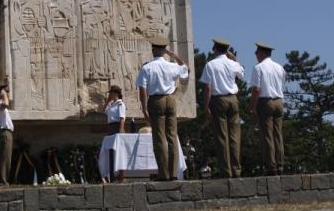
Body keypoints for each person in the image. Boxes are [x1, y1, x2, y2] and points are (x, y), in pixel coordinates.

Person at [136, 36, 189, 180]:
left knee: (159, 137)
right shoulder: (172, 66)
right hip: (171, 100)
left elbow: (142, 88)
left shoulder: (147, 67)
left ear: (153, 49)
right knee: (171, 136)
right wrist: (173, 55)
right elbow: (185, 69)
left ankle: (164, 173)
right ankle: (173, 173)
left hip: (156, 100)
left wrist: (144, 107)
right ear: (164, 50)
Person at [199, 38, 245, 178]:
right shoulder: (232, 63)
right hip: (233, 99)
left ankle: (226, 171)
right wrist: (233, 57)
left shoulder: (210, 65)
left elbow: (208, 87)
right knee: (234, 136)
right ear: (227, 51)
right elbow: (241, 75)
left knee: (221, 137)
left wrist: (206, 105)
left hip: (218, 100)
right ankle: (236, 169)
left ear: (214, 50)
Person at [249, 42, 286, 176]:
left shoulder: (258, 68)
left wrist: (252, 107)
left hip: (266, 101)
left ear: (262, 53)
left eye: (256, 52)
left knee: (267, 136)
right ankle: (280, 164)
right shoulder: (279, 67)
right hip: (279, 101)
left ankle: (271, 167)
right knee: (278, 135)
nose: (255, 55)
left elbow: (256, 89)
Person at [102, 85, 126, 183]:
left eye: (111, 93)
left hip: (117, 126)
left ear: (116, 93)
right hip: (110, 127)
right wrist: (107, 101)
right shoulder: (111, 105)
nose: (109, 94)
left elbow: (122, 118)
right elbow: (103, 111)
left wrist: (121, 130)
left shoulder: (120, 104)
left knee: (119, 151)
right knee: (112, 150)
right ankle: (113, 173)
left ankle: (121, 174)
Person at [0, 82, 14, 185]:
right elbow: (6, 104)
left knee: (6, 157)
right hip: (4, 132)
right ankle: (3, 181)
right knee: (4, 158)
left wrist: (3, 94)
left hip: (5, 132)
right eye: (5, 91)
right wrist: (4, 95)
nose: (7, 93)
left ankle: (3, 180)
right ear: (1, 92)